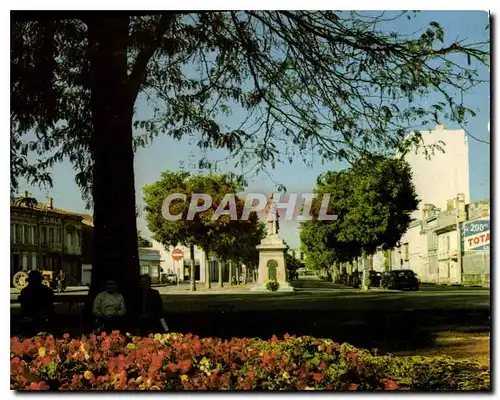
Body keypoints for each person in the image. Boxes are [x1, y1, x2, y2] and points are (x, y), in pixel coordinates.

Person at [19, 270, 54, 336]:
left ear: (29, 281)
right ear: (40, 280)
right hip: (44, 317)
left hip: (28, 317)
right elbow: (50, 305)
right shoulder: (48, 291)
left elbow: (23, 307)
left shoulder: (24, 291)